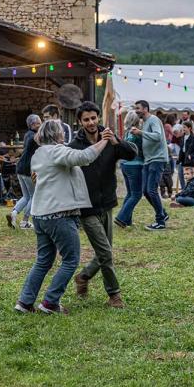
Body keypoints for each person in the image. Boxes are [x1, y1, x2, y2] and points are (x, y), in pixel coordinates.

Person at [14, 120, 109, 314]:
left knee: (43, 260)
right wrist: (104, 140)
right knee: (71, 259)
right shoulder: (57, 151)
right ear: (58, 135)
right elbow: (85, 156)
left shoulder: (38, 154)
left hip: (40, 215)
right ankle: (50, 303)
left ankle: (24, 302)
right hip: (59, 215)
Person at [69, 102, 137, 308]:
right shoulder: (75, 146)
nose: (91, 122)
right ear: (80, 122)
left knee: (104, 251)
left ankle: (83, 276)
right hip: (86, 207)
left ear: (98, 118)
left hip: (107, 202)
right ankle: (114, 295)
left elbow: (132, 154)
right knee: (106, 253)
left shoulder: (109, 140)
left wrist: (117, 142)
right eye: (86, 119)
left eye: (93, 118)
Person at [131, 100, 169, 231]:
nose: (136, 111)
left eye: (138, 108)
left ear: (146, 109)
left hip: (157, 159)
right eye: (136, 108)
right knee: (146, 191)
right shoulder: (145, 122)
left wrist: (140, 133)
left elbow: (158, 137)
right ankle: (163, 214)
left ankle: (160, 222)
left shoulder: (153, 120)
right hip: (149, 160)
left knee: (151, 190)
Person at [7, 114, 42, 230]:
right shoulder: (35, 136)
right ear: (33, 125)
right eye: (39, 123)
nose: (41, 124)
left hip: (20, 168)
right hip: (28, 169)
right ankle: (25, 222)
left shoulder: (27, 134)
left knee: (26, 196)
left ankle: (13, 214)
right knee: (34, 195)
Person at [114, 111, 144, 228]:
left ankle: (127, 220)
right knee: (136, 194)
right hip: (135, 165)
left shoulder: (127, 133)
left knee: (130, 193)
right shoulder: (137, 133)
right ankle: (121, 217)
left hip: (125, 164)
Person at [177, 121, 194, 189]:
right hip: (182, 159)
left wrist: (191, 155)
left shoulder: (193, 138)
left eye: (184, 127)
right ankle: (184, 190)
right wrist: (179, 158)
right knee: (181, 175)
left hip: (189, 161)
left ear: (189, 128)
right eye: (182, 127)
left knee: (188, 178)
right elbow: (181, 149)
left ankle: (189, 191)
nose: (183, 129)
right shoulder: (182, 137)